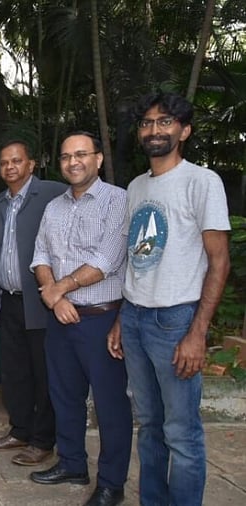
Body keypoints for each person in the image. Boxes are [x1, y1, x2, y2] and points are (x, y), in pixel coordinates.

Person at [109, 92, 230, 506]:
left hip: (176, 320)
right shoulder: (136, 186)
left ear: (184, 131)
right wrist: (124, 317)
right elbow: (136, 259)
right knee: (150, 426)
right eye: (146, 122)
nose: (154, 129)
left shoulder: (203, 182)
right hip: (138, 318)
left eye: (165, 122)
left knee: (182, 432)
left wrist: (198, 332)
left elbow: (219, 262)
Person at [29, 131, 132, 506]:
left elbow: (108, 259)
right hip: (61, 318)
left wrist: (59, 290)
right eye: (66, 156)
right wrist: (54, 297)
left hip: (101, 320)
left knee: (109, 405)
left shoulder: (118, 201)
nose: (73, 162)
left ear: (98, 159)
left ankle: (111, 483)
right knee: (64, 396)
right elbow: (40, 255)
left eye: (81, 154)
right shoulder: (54, 207)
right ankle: (72, 463)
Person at [0, 139, 66, 466]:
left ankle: (43, 439)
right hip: (8, 299)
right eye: (4, 162)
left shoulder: (51, 193)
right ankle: (19, 429)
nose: (10, 167)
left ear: (31, 164)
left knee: (42, 372)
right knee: (14, 371)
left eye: (17, 161)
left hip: (40, 301)